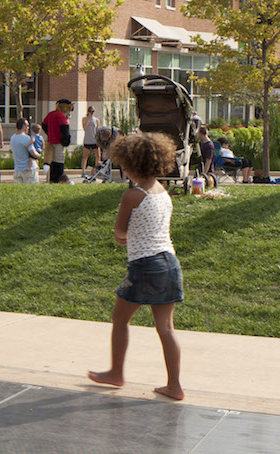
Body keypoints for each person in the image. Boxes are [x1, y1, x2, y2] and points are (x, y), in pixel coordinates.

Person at [86, 131, 185, 401]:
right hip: (170, 263)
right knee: (166, 328)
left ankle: (116, 372)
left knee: (120, 317)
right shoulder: (163, 192)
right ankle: (174, 386)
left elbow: (120, 232)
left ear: (130, 166)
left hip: (145, 264)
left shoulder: (132, 195)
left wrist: (122, 236)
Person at [42, 99, 74, 183]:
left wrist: (49, 133)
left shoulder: (50, 114)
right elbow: (65, 129)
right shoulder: (61, 116)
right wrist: (65, 140)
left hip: (50, 141)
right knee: (59, 161)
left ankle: (50, 179)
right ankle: (58, 179)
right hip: (58, 142)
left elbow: (44, 124)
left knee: (50, 160)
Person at [9, 119, 37, 184]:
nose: (28, 128)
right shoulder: (27, 138)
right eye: (27, 126)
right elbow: (33, 153)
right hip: (29, 170)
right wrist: (39, 154)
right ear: (24, 126)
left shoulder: (13, 138)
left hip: (17, 169)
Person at [80, 106, 101, 174]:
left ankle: (96, 170)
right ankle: (83, 171)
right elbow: (84, 127)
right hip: (87, 140)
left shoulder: (96, 120)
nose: (91, 113)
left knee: (98, 155)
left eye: (92, 112)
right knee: (85, 156)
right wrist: (88, 119)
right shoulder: (84, 119)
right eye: (90, 112)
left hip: (94, 140)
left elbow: (97, 130)